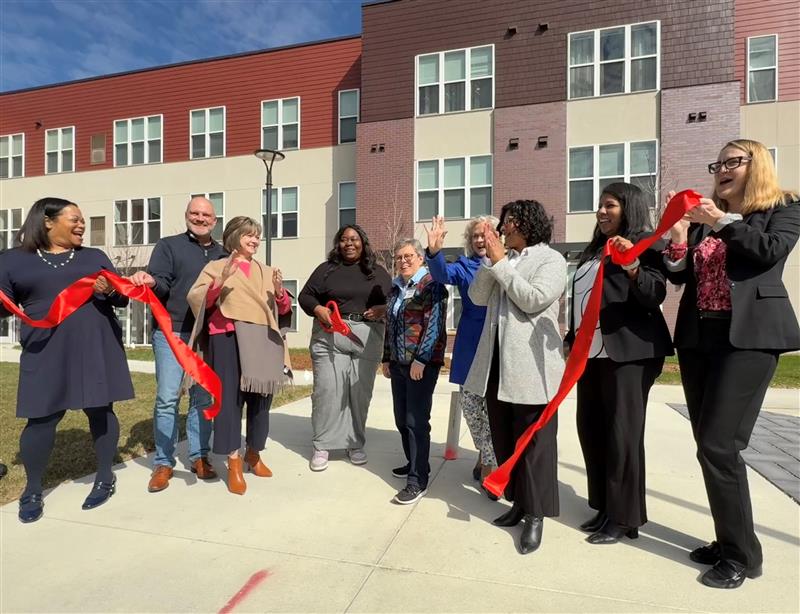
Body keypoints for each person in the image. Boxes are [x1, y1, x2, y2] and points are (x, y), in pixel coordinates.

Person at [660, 139, 800, 589]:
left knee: (721, 446)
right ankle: (727, 539)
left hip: (750, 341)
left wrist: (720, 221)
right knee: (708, 446)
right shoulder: (704, 222)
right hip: (702, 339)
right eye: (717, 162)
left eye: (732, 161)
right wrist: (680, 239)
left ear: (755, 165)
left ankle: (743, 556)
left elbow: (766, 251)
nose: (721, 169)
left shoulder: (784, 207)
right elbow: (682, 275)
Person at [0, 197, 134, 523]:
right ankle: (33, 489)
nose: (81, 225)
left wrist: (107, 289)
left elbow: (122, 298)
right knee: (41, 418)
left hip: (96, 345)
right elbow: (4, 306)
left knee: (101, 410)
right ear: (47, 222)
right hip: (45, 347)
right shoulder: (13, 260)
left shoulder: (94, 256)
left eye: (82, 220)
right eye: (74, 219)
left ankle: (105, 476)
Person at [566, 182, 673, 545]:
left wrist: (632, 267)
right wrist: (572, 334)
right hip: (591, 353)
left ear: (629, 207)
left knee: (621, 436)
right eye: (600, 205)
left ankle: (625, 517)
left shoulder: (647, 242)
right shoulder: (595, 249)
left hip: (629, 353)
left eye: (610, 205)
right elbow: (581, 297)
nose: (601, 211)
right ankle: (604, 506)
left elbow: (654, 293)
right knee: (591, 428)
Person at [464, 199, 566, 554]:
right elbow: (477, 298)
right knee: (506, 440)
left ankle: (536, 515)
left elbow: (534, 299)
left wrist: (501, 263)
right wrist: (489, 263)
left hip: (531, 370)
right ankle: (519, 504)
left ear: (528, 224)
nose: (502, 229)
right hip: (496, 367)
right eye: (502, 223)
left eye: (508, 223)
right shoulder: (500, 259)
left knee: (533, 446)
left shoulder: (551, 259)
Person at [187, 216, 293, 495]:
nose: (255, 240)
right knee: (230, 401)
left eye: (257, 235)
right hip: (227, 336)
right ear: (234, 236)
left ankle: (254, 454)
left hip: (262, 339)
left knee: (261, 400)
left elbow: (281, 312)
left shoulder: (268, 270)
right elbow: (197, 300)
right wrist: (219, 282)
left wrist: (281, 293)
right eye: (249, 235)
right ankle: (233, 462)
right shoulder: (216, 266)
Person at [129, 196, 227, 493]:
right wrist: (150, 281)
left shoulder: (224, 254)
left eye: (206, 214)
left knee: (202, 399)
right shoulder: (168, 246)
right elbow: (162, 282)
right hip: (172, 332)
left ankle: (199, 456)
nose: (200, 218)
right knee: (167, 398)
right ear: (186, 215)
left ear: (215, 220)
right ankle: (163, 462)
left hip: (206, 336)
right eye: (194, 213)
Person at [298, 225, 391, 471]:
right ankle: (322, 444)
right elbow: (305, 296)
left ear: (363, 242)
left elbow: (392, 300)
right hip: (330, 334)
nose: (349, 243)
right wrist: (318, 309)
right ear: (338, 244)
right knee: (328, 390)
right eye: (344, 239)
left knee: (359, 393)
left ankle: (354, 443)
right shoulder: (326, 270)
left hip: (367, 335)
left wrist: (383, 309)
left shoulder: (377, 271)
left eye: (354, 238)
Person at [424, 215, 499, 493]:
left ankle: (490, 463)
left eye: (486, 233)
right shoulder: (466, 266)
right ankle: (486, 453)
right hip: (470, 341)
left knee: (493, 408)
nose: (480, 239)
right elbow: (443, 274)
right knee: (471, 407)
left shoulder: (509, 264)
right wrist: (433, 251)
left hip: (499, 343)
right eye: (476, 235)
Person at [382, 239, 448, 505]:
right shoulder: (396, 287)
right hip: (398, 364)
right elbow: (391, 325)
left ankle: (417, 480)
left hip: (421, 364)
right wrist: (387, 358)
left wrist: (421, 359)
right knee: (401, 419)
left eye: (408, 256)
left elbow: (434, 325)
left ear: (421, 258)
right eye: (398, 257)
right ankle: (415, 463)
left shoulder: (431, 285)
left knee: (415, 420)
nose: (403, 261)